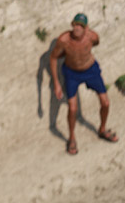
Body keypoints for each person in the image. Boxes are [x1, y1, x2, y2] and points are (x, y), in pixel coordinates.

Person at [50, 13, 117, 155]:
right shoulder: (64, 40)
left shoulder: (92, 37)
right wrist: (56, 83)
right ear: (72, 25)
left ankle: (102, 129)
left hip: (91, 70)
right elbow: (54, 57)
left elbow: (95, 43)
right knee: (73, 108)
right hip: (72, 74)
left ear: (86, 28)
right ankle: (72, 138)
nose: (77, 29)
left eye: (81, 26)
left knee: (105, 102)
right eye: (76, 25)